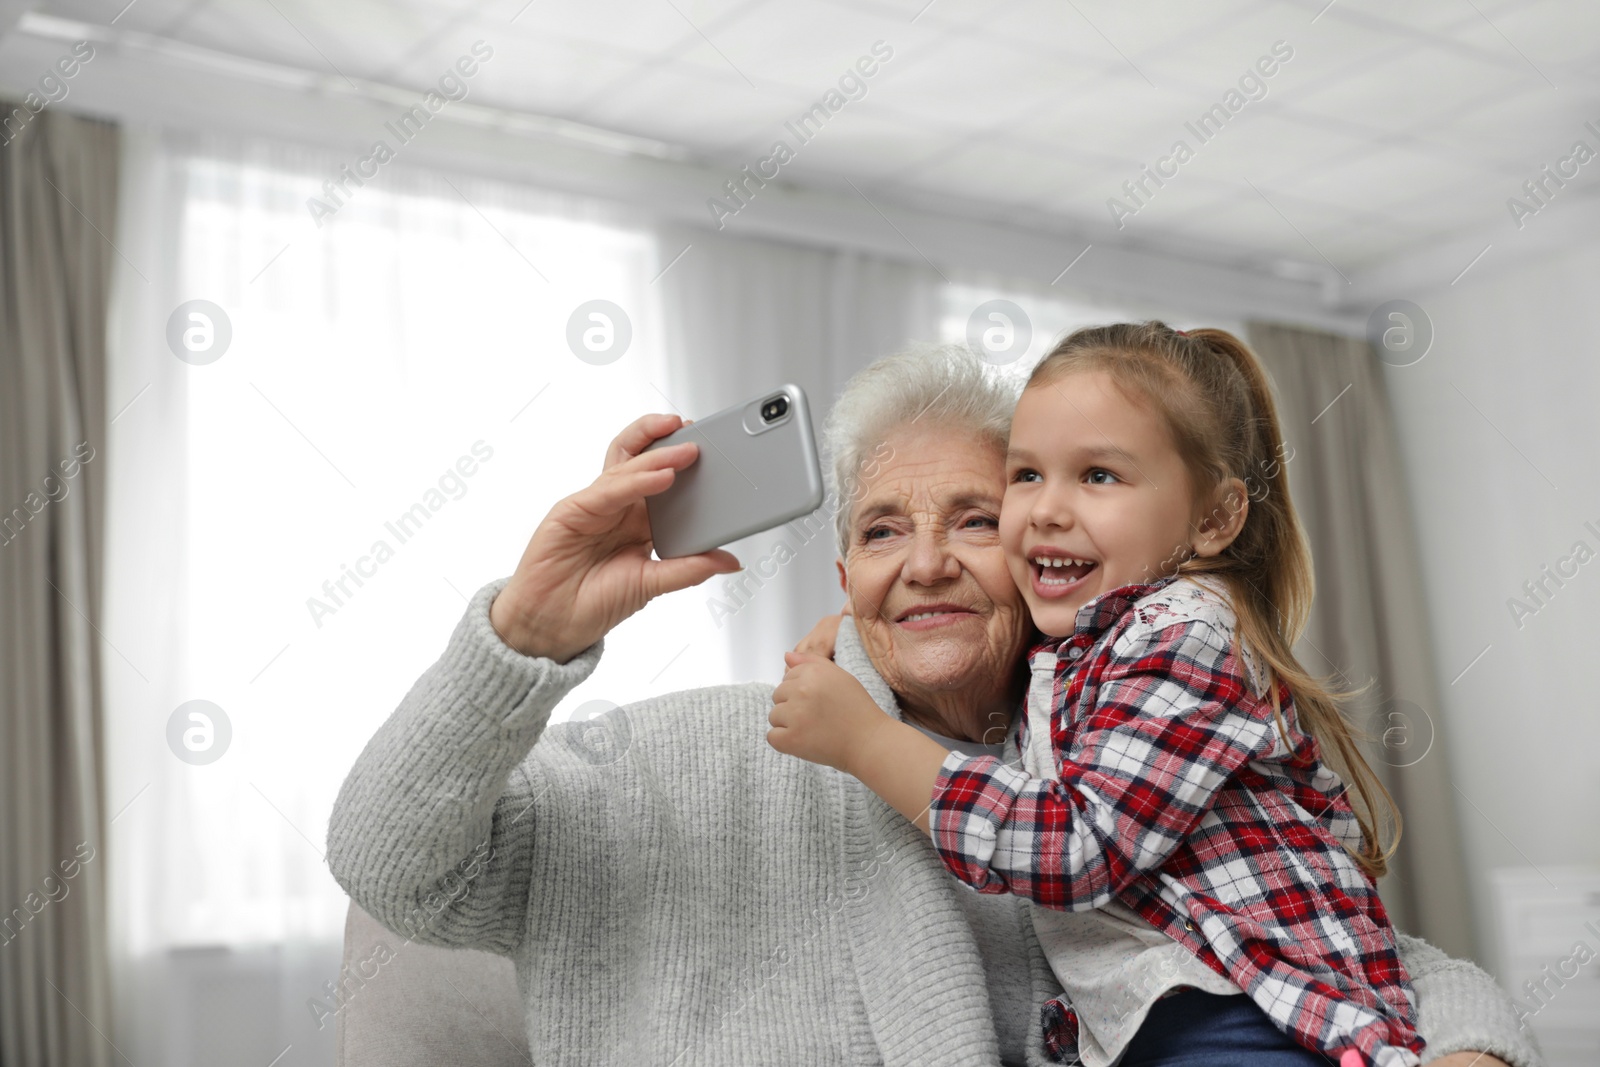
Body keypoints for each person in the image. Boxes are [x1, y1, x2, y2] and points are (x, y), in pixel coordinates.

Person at [326, 341, 1537, 1067]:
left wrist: (1468, 1042)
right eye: (880, 529)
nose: (927, 561)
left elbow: (1320, 931)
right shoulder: (683, 751)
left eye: (974, 519)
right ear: (842, 573)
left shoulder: (1098, 755)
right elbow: (392, 867)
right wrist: (525, 636)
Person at [768, 325, 1431, 1067]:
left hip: (1244, 1021)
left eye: (1098, 476)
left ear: (1213, 519)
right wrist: (858, 632)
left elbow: (1074, 847)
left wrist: (867, 740)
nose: (1049, 510)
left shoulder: (1179, 638)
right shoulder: (1082, 650)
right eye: (1027, 476)